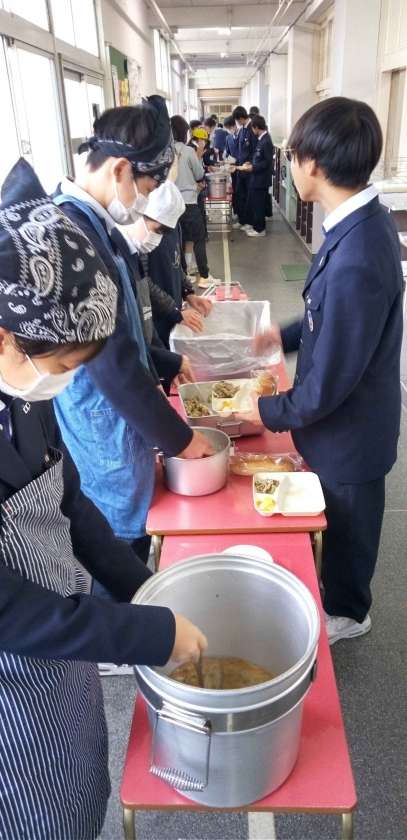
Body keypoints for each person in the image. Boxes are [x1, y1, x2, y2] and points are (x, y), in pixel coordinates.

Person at [0, 158, 207, 840]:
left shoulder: (22, 395)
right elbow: (9, 609)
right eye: (61, 367)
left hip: (63, 651)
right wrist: (147, 634)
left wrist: (145, 592)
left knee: (81, 781)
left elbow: (68, 503)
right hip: (13, 671)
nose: (60, 384)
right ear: (5, 337)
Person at [243, 97, 403, 645]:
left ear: (312, 162)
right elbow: (329, 318)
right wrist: (282, 336)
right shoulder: (353, 224)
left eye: (292, 156)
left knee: (351, 525)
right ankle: (340, 595)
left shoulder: (359, 252)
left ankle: (349, 614)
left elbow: (329, 383)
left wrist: (262, 411)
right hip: (341, 423)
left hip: (352, 431)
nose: (291, 166)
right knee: (336, 516)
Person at [53, 100, 214, 565]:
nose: (145, 199)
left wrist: (166, 360)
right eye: (147, 187)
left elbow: (123, 330)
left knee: (132, 543)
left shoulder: (96, 227)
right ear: (121, 169)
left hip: (123, 420)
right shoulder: (72, 238)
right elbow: (112, 365)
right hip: (102, 427)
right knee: (114, 553)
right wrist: (182, 440)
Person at [144, 180, 212, 349]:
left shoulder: (174, 227)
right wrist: (174, 311)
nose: (164, 232)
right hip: (155, 319)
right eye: (160, 229)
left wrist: (188, 293)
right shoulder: (143, 240)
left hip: (173, 313)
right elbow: (143, 282)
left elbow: (176, 264)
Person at [171, 115, 222, 290]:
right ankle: (204, 276)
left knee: (181, 239)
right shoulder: (187, 151)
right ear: (185, 132)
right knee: (199, 238)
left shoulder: (166, 152)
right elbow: (200, 174)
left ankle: (184, 274)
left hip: (172, 206)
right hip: (189, 203)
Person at [244, 114, 274, 237]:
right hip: (257, 178)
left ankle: (260, 230)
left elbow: (267, 162)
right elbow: (259, 158)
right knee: (256, 204)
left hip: (261, 179)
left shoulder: (266, 141)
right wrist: (251, 163)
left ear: (256, 127)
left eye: (252, 128)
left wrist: (253, 167)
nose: (252, 131)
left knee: (259, 205)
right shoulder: (262, 139)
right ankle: (256, 226)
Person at [232, 105, 257, 230]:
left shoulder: (252, 128)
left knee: (249, 197)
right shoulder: (242, 130)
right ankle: (242, 220)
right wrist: (234, 163)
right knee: (240, 194)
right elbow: (239, 149)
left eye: (237, 120)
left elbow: (255, 150)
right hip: (240, 169)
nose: (237, 123)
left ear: (241, 118)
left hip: (249, 170)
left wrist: (251, 163)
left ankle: (249, 222)